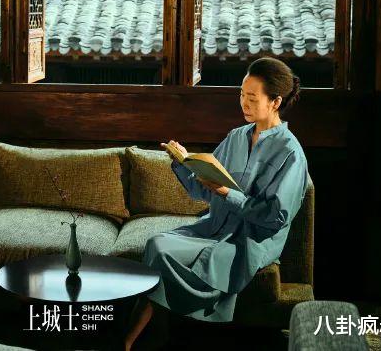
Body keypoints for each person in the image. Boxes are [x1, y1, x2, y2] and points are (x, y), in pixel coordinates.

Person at [124, 57, 309, 351]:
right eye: (241, 95)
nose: (244, 103)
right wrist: (183, 162)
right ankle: (149, 335)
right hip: (215, 226)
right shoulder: (236, 137)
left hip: (250, 239)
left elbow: (275, 217)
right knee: (156, 243)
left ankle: (133, 339)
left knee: (163, 252)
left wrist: (227, 193)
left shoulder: (291, 153)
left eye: (252, 97)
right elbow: (206, 190)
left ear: (275, 102)